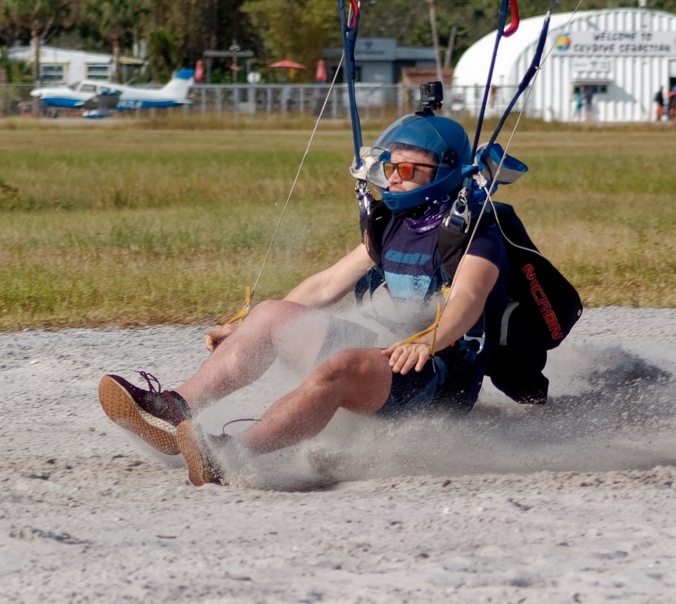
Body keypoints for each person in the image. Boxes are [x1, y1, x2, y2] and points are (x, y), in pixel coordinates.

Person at [98, 112, 508, 486]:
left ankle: (229, 452)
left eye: (405, 168)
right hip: (388, 359)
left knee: (341, 366)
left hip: (436, 376)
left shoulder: (475, 232)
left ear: (444, 171)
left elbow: (469, 297)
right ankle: (174, 407)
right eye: (388, 167)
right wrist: (246, 329)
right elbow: (326, 284)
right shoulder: (395, 223)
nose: (393, 178)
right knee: (272, 313)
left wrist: (427, 341)